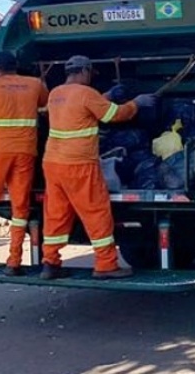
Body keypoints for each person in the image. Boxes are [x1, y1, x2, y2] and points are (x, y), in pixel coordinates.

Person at [40, 54, 157, 280]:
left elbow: (81, 105)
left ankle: (50, 263)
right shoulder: (86, 94)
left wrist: (107, 96)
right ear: (84, 71)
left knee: (56, 214)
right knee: (96, 213)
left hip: (53, 163)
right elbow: (114, 115)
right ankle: (105, 265)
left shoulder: (56, 93)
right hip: (79, 164)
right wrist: (137, 103)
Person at [0, 51, 49, 276]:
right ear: (16, 66)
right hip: (26, 151)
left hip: (0, 152)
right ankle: (14, 261)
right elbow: (46, 107)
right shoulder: (35, 84)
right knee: (20, 206)